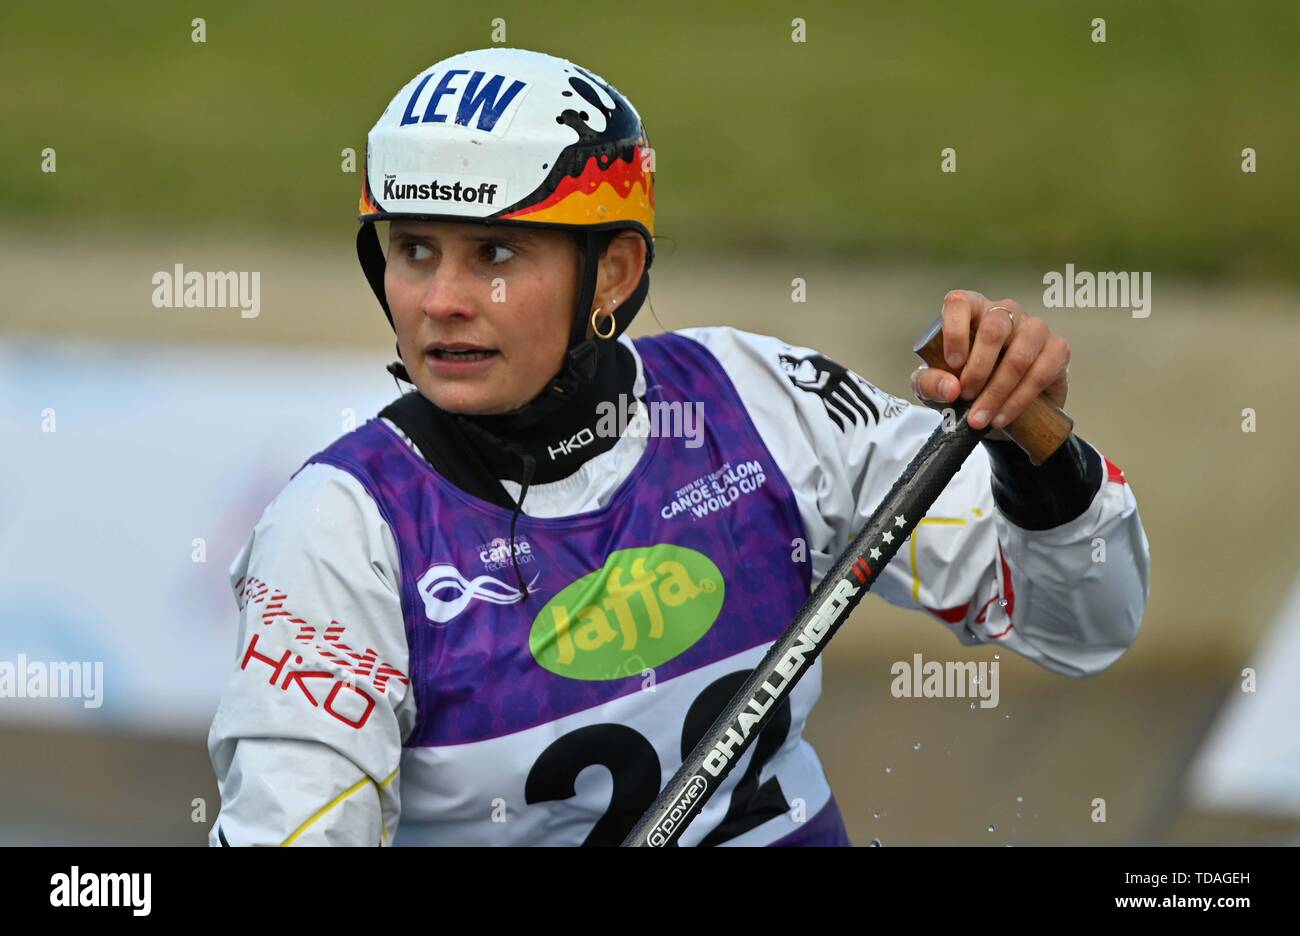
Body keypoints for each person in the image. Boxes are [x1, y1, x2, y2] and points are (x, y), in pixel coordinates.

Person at [207, 47, 1150, 847]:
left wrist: (1040, 459)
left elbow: (1083, 627)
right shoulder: (340, 532)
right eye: (415, 249)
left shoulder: (756, 397)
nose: (442, 300)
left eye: (494, 254)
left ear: (611, 270)